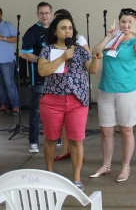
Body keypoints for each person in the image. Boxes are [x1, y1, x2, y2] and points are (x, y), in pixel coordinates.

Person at [90, 8, 136, 183]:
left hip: (128, 91)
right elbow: (95, 52)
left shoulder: (135, 41)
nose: (126, 25)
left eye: (130, 22)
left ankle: (126, 167)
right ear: (119, 22)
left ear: (135, 23)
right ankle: (106, 165)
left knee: (126, 130)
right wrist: (108, 37)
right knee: (106, 131)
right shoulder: (114, 39)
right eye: (123, 21)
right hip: (106, 90)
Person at [38, 15, 101, 190]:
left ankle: (76, 179)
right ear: (55, 31)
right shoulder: (47, 50)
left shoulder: (80, 50)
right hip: (52, 101)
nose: (67, 31)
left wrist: (96, 59)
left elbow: (92, 70)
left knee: (76, 141)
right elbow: (43, 71)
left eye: (70, 28)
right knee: (50, 139)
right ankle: (49, 173)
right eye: (63, 28)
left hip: (77, 101)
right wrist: (63, 57)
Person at [52, 9, 91, 161]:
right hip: (58, 88)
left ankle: (78, 151)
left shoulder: (79, 39)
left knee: (76, 125)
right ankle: (65, 150)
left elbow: (88, 60)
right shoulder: (51, 44)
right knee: (61, 123)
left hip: (76, 88)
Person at [21, 2, 52, 153]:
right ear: (37, 14)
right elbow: (24, 53)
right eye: (41, 13)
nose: (44, 16)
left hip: (55, 78)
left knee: (54, 109)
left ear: (51, 14)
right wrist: (42, 62)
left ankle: (55, 137)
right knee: (36, 110)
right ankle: (33, 141)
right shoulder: (32, 31)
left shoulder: (55, 30)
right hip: (38, 77)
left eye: (47, 13)